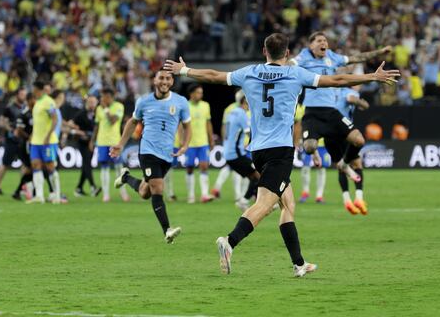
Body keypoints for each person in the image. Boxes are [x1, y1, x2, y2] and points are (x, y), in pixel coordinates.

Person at [164, 32, 399, 276]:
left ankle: (299, 264)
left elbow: (213, 76)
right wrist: (373, 76)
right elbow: (338, 80)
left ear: (264, 51)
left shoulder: (250, 72)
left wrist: (184, 70)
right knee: (265, 204)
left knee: (288, 203)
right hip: (280, 149)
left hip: (258, 149)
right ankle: (230, 242)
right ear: (287, 54)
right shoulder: (295, 74)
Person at [289, 31, 392, 182]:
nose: (323, 43)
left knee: (359, 140)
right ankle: (315, 152)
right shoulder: (304, 56)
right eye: (319, 41)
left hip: (331, 112)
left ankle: (344, 163)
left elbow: (357, 58)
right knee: (310, 147)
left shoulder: (332, 56)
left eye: (325, 41)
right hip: (312, 112)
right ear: (311, 46)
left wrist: (380, 52)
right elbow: (290, 64)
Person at [111, 69, 192, 243]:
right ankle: (167, 230)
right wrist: (120, 144)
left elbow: (187, 126)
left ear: (172, 81)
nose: (164, 81)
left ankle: (126, 177)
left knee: (145, 192)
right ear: (154, 80)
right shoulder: (143, 102)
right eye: (161, 77)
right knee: (158, 187)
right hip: (148, 150)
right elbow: (133, 122)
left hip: (167, 154)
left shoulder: (180, 102)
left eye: (168, 78)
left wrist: (185, 145)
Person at [326, 86, 370, 215]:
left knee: (341, 167)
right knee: (357, 164)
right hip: (345, 132)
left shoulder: (327, 90)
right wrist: (358, 101)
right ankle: (359, 199)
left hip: (329, 132)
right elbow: (362, 105)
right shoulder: (350, 92)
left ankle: (347, 200)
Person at [223, 91, 260, 211]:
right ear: (245, 102)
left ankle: (259, 200)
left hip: (229, 152)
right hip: (236, 153)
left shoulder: (232, 112)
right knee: (257, 175)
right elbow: (249, 133)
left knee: (253, 176)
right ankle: (243, 201)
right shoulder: (242, 114)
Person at [26, 81, 62, 204]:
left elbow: (55, 119)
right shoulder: (37, 103)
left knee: (50, 166)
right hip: (36, 141)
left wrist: (47, 136)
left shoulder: (48, 102)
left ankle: (57, 195)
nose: (33, 92)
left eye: (34, 89)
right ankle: (39, 196)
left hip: (47, 141)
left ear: (39, 90)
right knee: (36, 165)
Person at [91, 87, 128, 202]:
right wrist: (92, 140)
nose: (101, 99)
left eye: (103, 96)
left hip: (114, 142)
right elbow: (97, 125)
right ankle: (106, 195)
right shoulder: (98, 109)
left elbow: (113, 121)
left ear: (109, 97)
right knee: (104, 168)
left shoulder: (118, 107)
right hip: (102, 142)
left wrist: (106, 109)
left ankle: (123, 193)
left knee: (118, 168)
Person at [212, 89, 246, 201]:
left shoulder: (229, 109)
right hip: (241, 145)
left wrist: (225, 141)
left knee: (230, 166)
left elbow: (224, 126)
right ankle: (240, 195)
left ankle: (217, 188)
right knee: (239, 168)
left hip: (234, 143)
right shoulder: (242, 109)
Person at [0, 87, 27, 196]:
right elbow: (1, 123)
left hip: (22, 140)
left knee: (26, 164)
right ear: (17, 95)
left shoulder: (26, 108)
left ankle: (22, 187)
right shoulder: (9, 108)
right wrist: (10, 129)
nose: (24, 96)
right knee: (5, 163)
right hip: (11, 140)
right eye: (22, 94)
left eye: (24, 94)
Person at [294, 104, 331, 204]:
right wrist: (297, 140)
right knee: (305, 167)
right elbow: (298, 125)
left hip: (323, 143)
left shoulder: (325, 107)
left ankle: (319, 195)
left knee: (321, 169)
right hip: (307, 142)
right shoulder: (302, 107)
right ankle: (305, 192)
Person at [184, 84, 215, 203]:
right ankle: (191, 195)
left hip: (203, 142)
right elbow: (182, 125)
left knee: (204, 166)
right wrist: (183, 140)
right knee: (190, 168)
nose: (200, 95)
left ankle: (204, 194)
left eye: (201, 93)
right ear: (191, 94)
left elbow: (208, 123)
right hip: (190, 143)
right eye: (198, 93)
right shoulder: (185, 106)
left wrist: (211, 139)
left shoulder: (205, 105)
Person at [70, 95, 101, 197]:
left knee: (86, 165)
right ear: (87, 103)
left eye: (93, 102)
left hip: (92, 142)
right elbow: (71, 124)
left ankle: (79, 188)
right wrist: (79, 131)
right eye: (90, 102)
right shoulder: (81, 114)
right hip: (82, 142)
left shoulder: (97, 113)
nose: (92, 104)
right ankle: (93, 187)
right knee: (87, 163)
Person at [13, 92, 35, 200]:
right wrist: (29, 137)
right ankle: (26, 191)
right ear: (30, 100)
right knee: (33, 168)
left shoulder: (37, 112)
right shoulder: (24, 114)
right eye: (34, 99)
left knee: (34, 168)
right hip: (25, 145)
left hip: (34, 144)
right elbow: (18, 131)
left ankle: (19, 191)